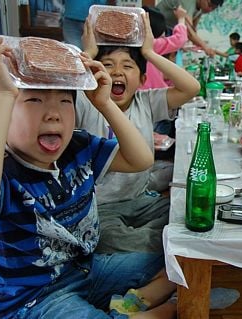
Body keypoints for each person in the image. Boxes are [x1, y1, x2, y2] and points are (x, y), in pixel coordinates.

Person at [0, 37, 177, 318]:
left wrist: (104, 104)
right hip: (34, 299)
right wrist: (3, 95)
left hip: (85, 270)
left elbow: (142, 160)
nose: (54, 114)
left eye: (65, 101)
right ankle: (154, 311)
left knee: (177, 262)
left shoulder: (78, 146)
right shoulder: (2, 171)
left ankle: (134, 303)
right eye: (34, 100)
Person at [79, 13, 200, 254]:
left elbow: (192, 88)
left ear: (143, 79)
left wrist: (150, 53)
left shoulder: (145, 101)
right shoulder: (85, 101)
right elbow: (67, 84)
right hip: (101, 206)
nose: (116, 72)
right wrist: (89, 54)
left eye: (127, 66)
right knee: (110, 239)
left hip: (141, 199)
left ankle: (159, 247)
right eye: (108, 65)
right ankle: (163, 250)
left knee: (184, 215)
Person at [140, 5, 188, 90]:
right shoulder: (150, 44)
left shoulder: (134, 44)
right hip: (154, 94)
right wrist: (181, 19)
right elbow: (180, 39)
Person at [155, 0, 225, 56]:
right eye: (209, 5)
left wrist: (201, 44)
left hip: (168, 31)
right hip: (156, 29)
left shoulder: (200, 9)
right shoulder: (187, 2)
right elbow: (189, 32)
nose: (209, 9)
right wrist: (205, 47)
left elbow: (193, 31)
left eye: (213, 8)